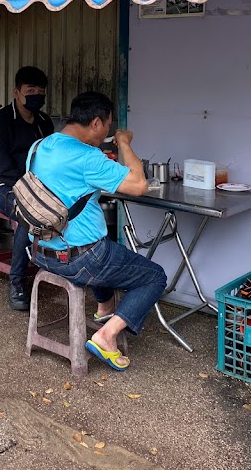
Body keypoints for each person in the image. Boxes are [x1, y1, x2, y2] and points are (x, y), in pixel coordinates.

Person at [28, 91, 167, 371]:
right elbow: (139, 185)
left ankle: (104, 308)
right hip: (78, 259)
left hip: (40, 251)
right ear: (95, 123)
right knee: (153, 276)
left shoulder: (40, 146)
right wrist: (125, 143)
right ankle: (106, 335)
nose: (106, 132)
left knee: (108, 251)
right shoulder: (88, 157)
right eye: (107, 126)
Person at [0, 65, 54, 311]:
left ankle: (58, 267)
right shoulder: (0, 123)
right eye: (30, 90)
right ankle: (17, 282)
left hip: (37, 186)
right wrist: (35, 192)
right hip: (0, 186)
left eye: (40, 91)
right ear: (16, 92)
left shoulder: (44, 123)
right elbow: (2, 169)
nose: (36, 95)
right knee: (28, 213)